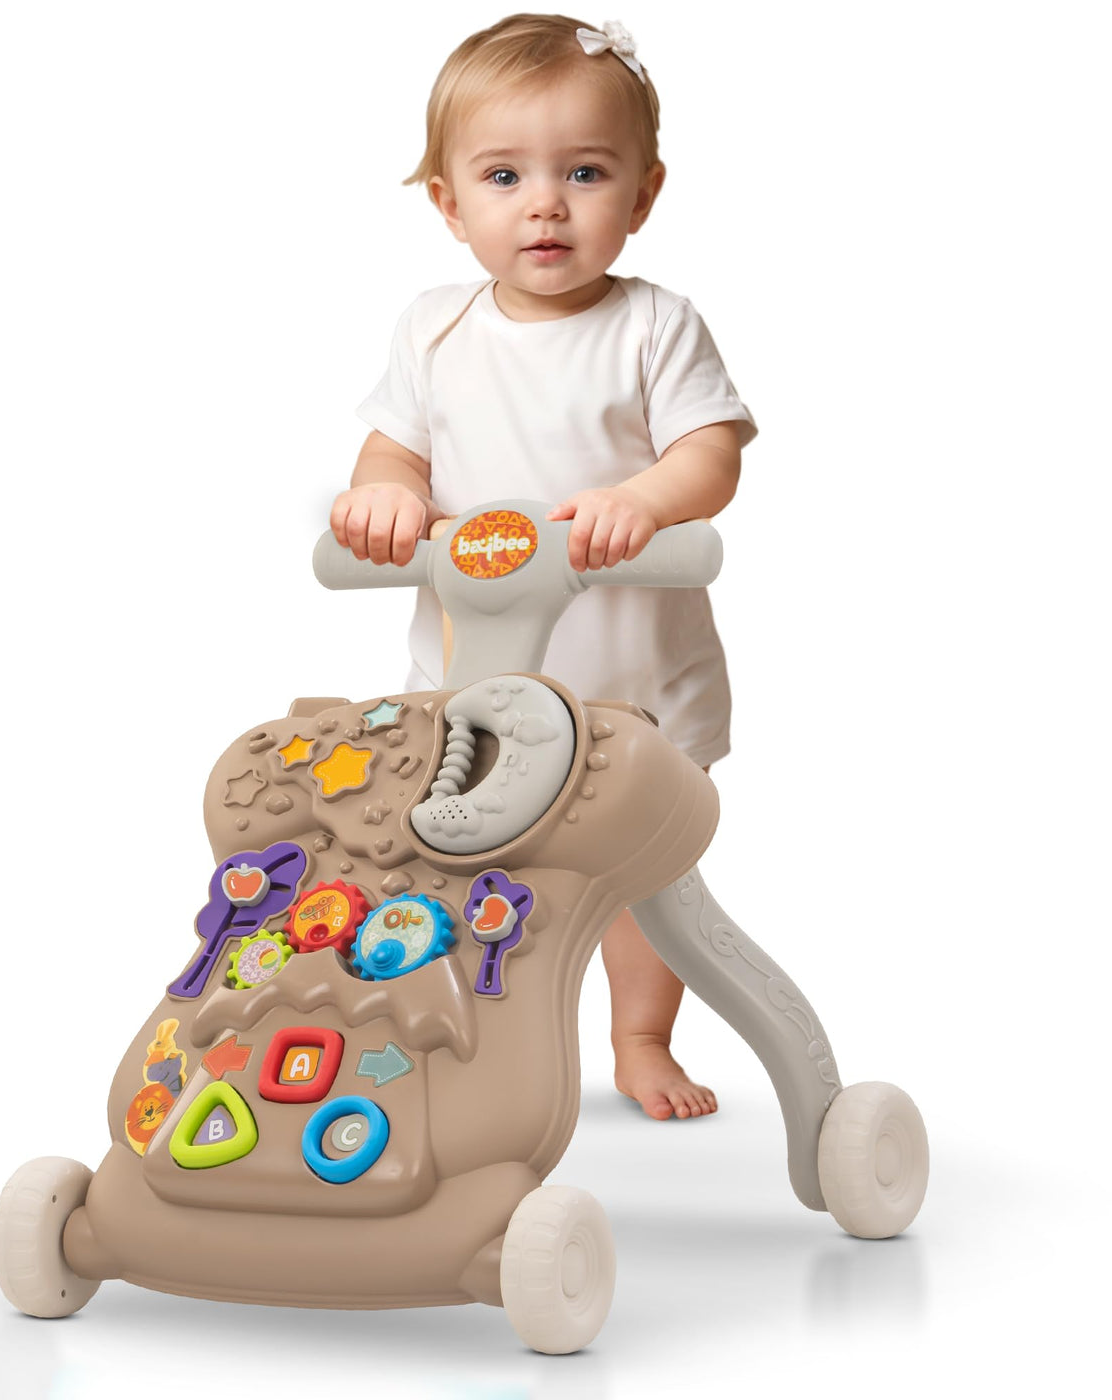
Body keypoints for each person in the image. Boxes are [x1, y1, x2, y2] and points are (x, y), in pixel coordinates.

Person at [330, 14, 756, 1120]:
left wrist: (642, 500)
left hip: (634, 679)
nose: (546, 205)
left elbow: (710, 456)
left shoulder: (654, 327)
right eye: (504, 176)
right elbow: (394, 449)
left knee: (644, 879)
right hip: (474, 684)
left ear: (643, 194)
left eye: (584, 173)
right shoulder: (432, 330)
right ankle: (453, 1045)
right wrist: (386, 492)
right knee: (451, 868)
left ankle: (639, 1037)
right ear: (448, 203)